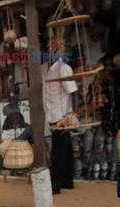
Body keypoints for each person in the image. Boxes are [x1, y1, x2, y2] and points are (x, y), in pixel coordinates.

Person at [42, 59, 78, 194]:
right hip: (52, 115)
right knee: (66, 148)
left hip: (62, 117)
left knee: (58, 151)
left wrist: (73, 114)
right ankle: (67, 181)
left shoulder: (63, 68)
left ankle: (55, 186)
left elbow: (73, 92)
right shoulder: (44, 68)